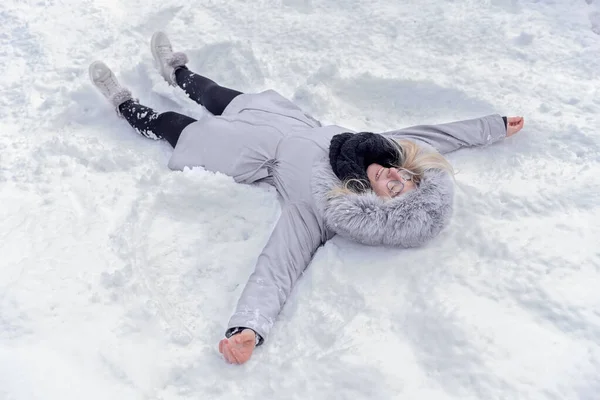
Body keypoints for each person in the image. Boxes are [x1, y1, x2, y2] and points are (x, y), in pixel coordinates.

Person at [89, 31, 525, 365]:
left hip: (248, 150)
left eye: (393, 187)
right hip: (282, 117)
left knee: (174, 127)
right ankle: (177, 73)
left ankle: (127, 106)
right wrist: (494, 125)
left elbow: (279, 265)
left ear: (377, 202)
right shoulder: (381, 149)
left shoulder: (319, 207)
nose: (394, 174)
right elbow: (437, 136)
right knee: (215, 93)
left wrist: (248, 328)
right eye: (404, 176)